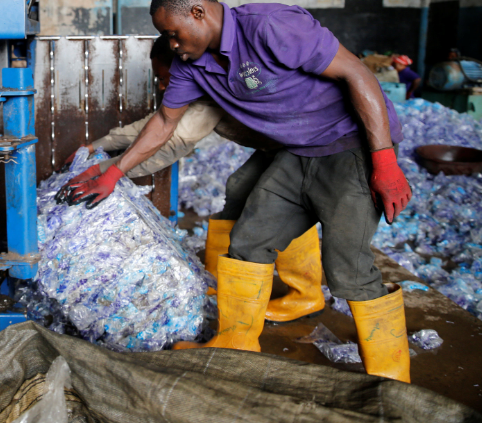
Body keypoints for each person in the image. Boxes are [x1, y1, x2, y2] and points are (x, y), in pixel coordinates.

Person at [59, 0, 412, 382]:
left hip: (350, 145)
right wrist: (113, 171)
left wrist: (384, 161)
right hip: (295, 153)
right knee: (249, 240)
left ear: (199, 12)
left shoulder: (270, 27)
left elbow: (359, 75)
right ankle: (235, 345)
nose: (171, 45)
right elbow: (164, 122)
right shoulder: (191, 65)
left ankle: (391, 378)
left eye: (173, 34)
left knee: (348, 266)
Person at [59, 37, 326, 322]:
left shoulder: (213, 88)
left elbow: (171, 144)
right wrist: (96, 146)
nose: (162, 86)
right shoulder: (198, 87)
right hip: (278, 145)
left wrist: (107, 171)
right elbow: (153, 126)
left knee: (280, 204)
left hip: (306, 143)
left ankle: (305, 295)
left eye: (164, 77)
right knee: (238, 188)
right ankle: (217, 281)